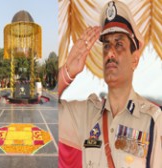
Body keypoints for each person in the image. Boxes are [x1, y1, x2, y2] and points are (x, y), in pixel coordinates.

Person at [58, 1, 162, 167]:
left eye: (119, 44)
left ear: (134, 60)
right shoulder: (86, 116)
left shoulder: (152, 120)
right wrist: (67, 72)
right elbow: (48, 112)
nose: (110, 53)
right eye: (106, 45)